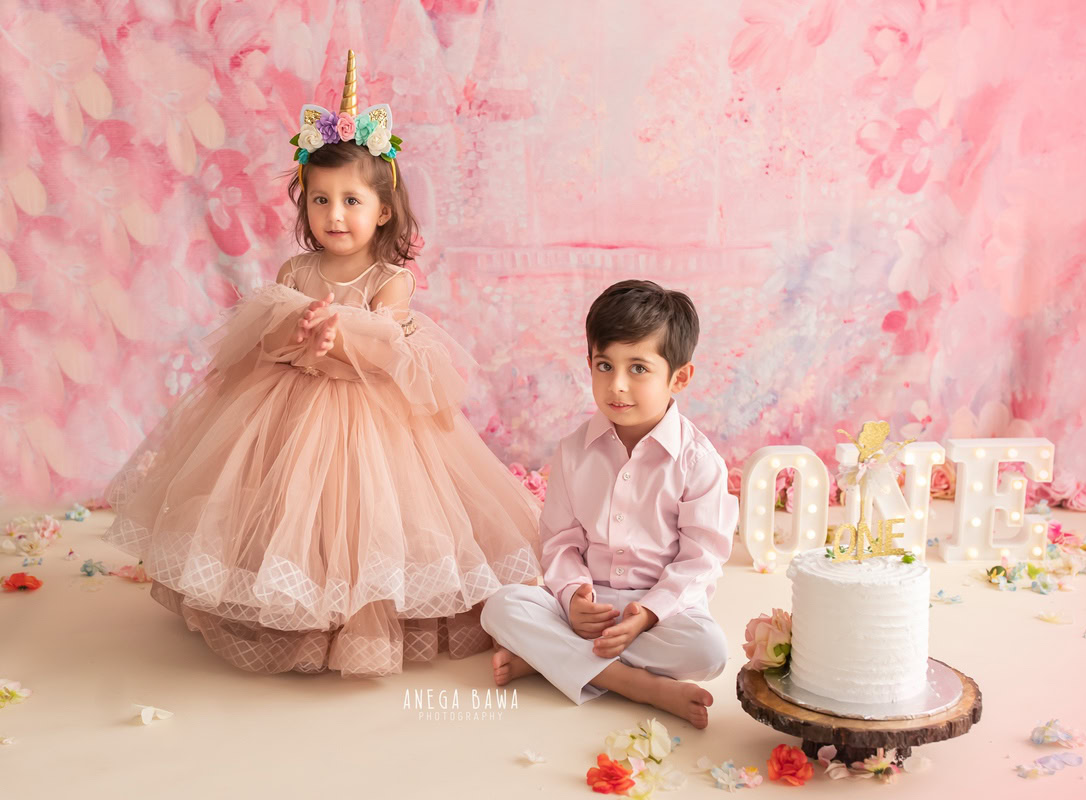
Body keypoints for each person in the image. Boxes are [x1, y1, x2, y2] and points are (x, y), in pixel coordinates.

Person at [103, 50, 540, 678]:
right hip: (290, 405)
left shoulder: (392, 279)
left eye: (352, 201)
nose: (334, 215)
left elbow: (386, 346)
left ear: (383, 210)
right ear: (303, 204)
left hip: (370, 413)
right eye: (319, 200)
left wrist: (340, 332)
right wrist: (299, 333)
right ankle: (284, 603)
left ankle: (360, 613)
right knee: (287, 503)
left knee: (366, 513)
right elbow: (267, 339)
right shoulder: (296, 271)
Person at [480, 280, 738, 728]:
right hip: (587, 607)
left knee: (710, 651)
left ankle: (550, 660)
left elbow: (702, 559)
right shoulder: (574, 450)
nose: (617, 386)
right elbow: (560, 540)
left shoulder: (699, 462)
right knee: (500, 606)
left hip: (659, 613)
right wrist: (572, 593)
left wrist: (647, 613)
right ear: (590, 364)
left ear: (679, 377)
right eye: (605, 365)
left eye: (638, 368)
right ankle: (637, 685)